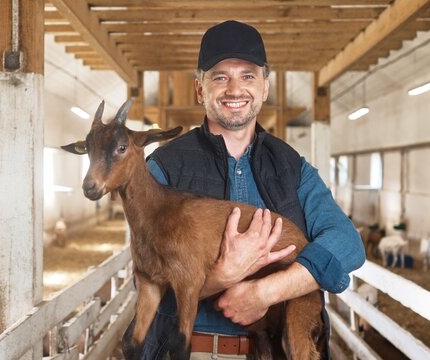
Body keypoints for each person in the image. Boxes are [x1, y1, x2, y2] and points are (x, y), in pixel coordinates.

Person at [127, 20, 365, 359]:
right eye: (220, 76)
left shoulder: (291, 167)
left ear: (265, 87)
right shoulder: (163, 169)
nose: (235, 89)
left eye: (248, 76)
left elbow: (348, 245)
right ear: (200, 89)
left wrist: (265, 292)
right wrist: (222, 276)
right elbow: (147, 282)